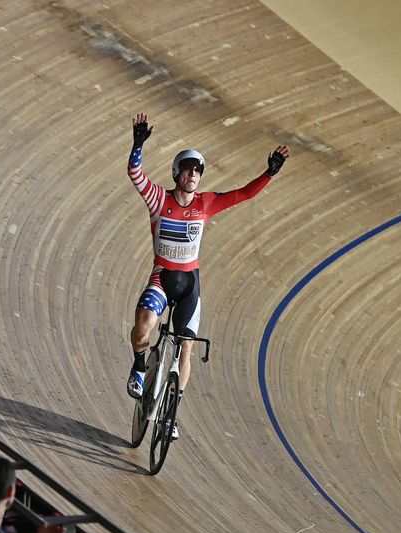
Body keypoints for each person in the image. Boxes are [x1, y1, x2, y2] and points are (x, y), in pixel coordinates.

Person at [124, 112, 290, 439]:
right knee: (143, 324)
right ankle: (140, 366)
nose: (194, 175)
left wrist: (268, 173)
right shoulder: (159, 199)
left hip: (189, 285)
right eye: (189, 169)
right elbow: (135, 173)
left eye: (199, 171)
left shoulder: (206, 204)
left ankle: (172, 414)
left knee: (186, 348)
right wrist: (138, 145)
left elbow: (244, 194)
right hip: (162, 276)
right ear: (177, 173)